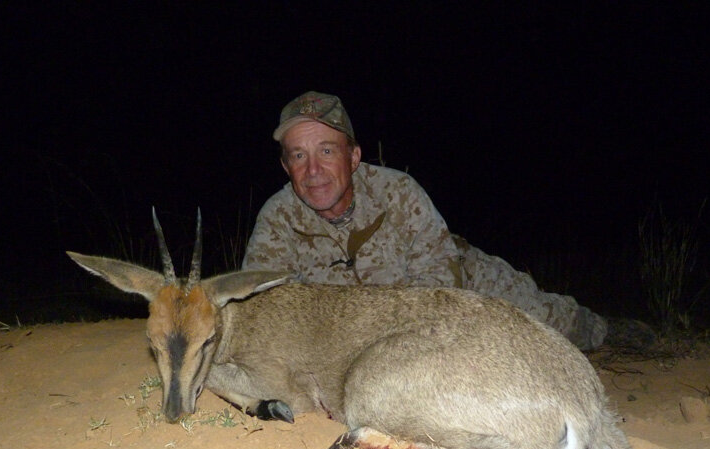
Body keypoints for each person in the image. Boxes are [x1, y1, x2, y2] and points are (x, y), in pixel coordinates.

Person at [242, 91, 609, 350]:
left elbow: (441, 291)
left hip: (462, 282)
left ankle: (608, 330)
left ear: (353, 157)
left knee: (549, 323)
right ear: (285, 166)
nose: (314, 170)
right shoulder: (276, 221)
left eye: (326, 151)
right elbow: (265, 315)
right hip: (376, 332)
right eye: (298, 156)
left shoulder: (398, 191)